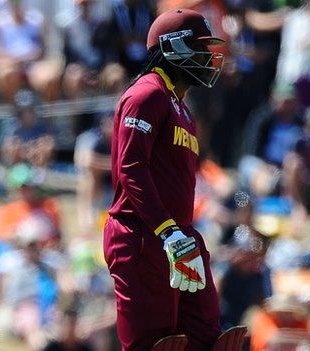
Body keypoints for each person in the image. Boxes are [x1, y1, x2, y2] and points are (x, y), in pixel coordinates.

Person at [102, 9, 237, 351]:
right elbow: (131, 167)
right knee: (155, 343)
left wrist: (180, 234)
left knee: (208, 335)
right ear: (172, 48)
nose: (208, 57)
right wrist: (167, 230)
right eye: (200, 47)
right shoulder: (146, 94)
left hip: (179, 236)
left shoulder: (184, 109)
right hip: (143, 235)